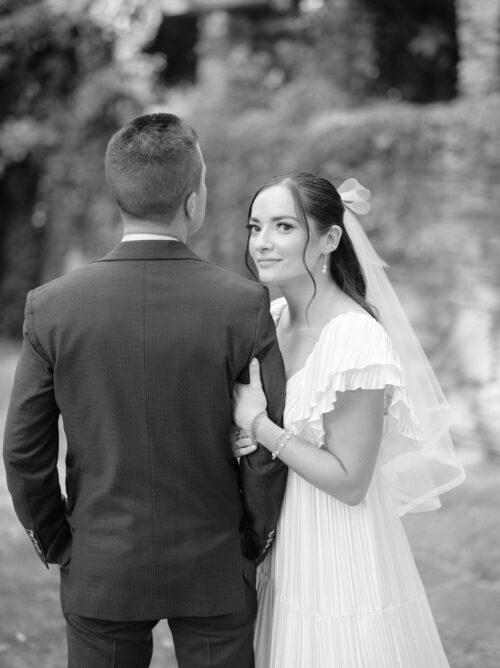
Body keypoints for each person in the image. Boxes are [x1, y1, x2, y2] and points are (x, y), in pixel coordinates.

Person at [3, 113, 288, 668]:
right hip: (213, 562)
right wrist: (251, 542)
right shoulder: (242, 304)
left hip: (100, 562)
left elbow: (22, 451)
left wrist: (61, 544)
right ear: (192, 200)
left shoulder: (53, 306)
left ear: (119, 196)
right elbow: (267, 441)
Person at [232, 173, 465, 667]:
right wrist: (243, 437)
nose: (262, 243)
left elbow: (350, 480)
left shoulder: (356, 338)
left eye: (283, 227)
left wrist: (259, 427)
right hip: (282, 539)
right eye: (255, 227)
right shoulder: (271, 320)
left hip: (336, 544)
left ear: (331, 239)